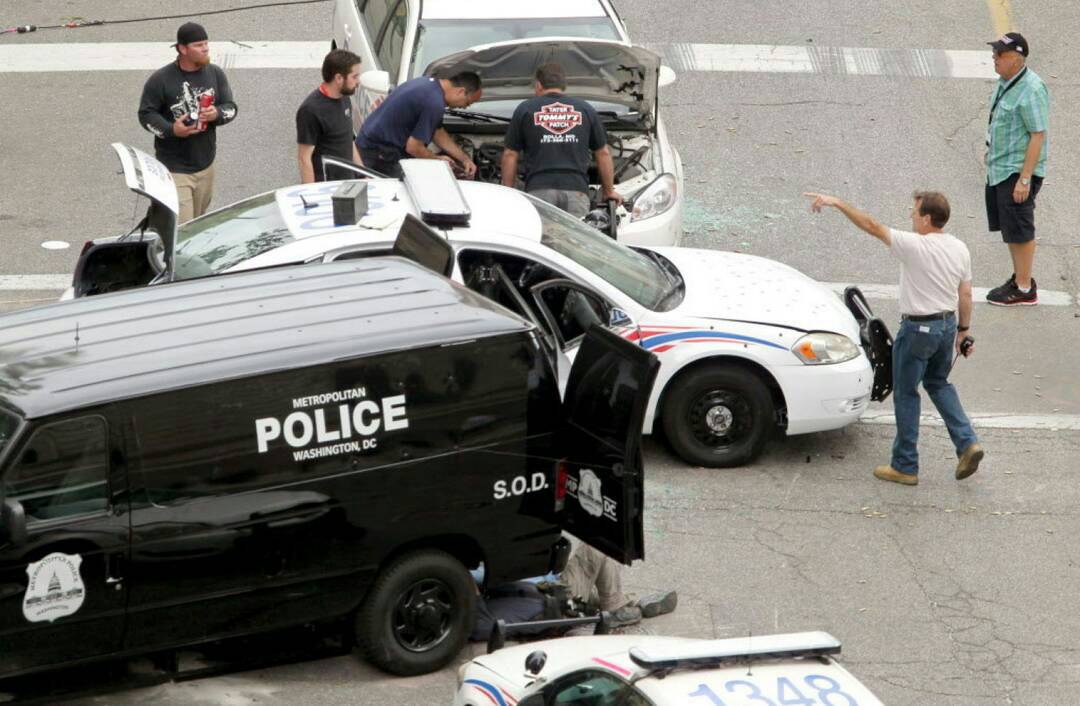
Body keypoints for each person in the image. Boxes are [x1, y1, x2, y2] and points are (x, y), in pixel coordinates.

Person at [804, 191, 984, 486]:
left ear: (927, 219)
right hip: (947, 325)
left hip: (917, 331)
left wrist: (837, 203)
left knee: (906, 392)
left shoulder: (914, 245)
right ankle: (967, 442)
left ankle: (905, 465)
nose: (911, 217)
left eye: (914, 212)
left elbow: (872, 225)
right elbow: (965, 293)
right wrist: (963, 331)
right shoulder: (959, 248)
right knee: (939, 383)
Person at [138, 22, 238, 223]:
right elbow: (146, 115)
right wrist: (171, 129)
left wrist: (216, 114)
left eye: (206, 43)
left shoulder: (215, 73)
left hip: (205, 165)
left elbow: (231, 107)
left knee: (197, 225)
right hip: (175, 169)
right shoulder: (161, 79)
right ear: (182, 49)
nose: (205, 49)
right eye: (199, 45)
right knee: (183, 228)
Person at [501, 63, 622, 217]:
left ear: (538, 85)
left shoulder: (525, 109)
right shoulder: (585, 109)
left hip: (540, 191)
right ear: (564, 85)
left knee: (540, 240)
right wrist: (608, 191)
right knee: (574, 240)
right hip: (576, 192)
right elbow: (603, 153)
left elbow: (510, 154)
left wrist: (508, 190)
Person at [983, 32, 1049, 306]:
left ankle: (1024, 288)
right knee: (1011, 229)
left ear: (1016, 59)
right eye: (995, 53)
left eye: (999, 54)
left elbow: (1037, 134)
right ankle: (1019, 277)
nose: (994, 58)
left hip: (1016, 172)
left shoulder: (1032, 89)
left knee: (1021, 229)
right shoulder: (1006, 81)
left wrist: (1024, 178)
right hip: (1000, 167)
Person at [354, 72, 481, 178]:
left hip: (370, 144)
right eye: (467, 103)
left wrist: (464, 159)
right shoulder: (434, 103)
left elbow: (437, 131)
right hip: (379, 155)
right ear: (461, 91)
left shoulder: (427, 84)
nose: (464, 107)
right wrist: (438, 160)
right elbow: (414, 148)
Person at [296, 49, 363, 183]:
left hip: (347, 182)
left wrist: (362, 174)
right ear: (339, 78)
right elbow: (304, 158)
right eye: (354, 77)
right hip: (326, 187)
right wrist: (311, 194)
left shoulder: (345, 98)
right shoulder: (310, 110)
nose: (358, 82)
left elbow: (349, 140)